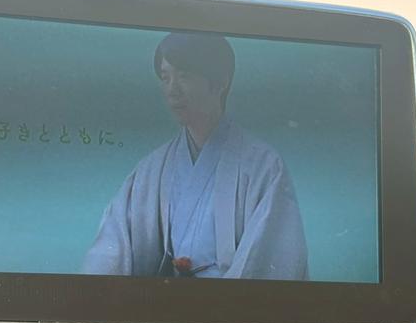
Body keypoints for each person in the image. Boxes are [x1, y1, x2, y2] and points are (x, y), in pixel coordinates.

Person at [83, 32, 308, 280]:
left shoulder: (262, 166)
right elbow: (113, 250)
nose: (172, 90)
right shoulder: (152, 170)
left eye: (184, 76)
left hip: (229, 303)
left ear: (220, 83)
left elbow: (268, 261)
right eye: (165, 78)